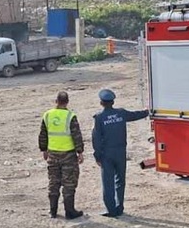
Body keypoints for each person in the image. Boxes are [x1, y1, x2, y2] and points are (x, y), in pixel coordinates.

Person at [91, 89, 150, 217]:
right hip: (121, 152)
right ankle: (120, 207)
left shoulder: (99, 118)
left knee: (108, 182)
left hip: (107, 154)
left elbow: (96, 139)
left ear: (101, 103)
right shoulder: (121, 113)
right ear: (113, 102)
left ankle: (111, 210)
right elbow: (135, 115)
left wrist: (97, 155)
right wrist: (147, 111)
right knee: (120, 180)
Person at [39, 91, 85, 219]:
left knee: (53, 182)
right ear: (67, 102)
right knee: (69, 183)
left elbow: (43, 134)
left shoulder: (47, 115)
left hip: (53, 154)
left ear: (56, 101)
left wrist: (44, 150)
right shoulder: (70, 116)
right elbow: (76, 135)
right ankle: (70, 212)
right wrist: (80, 152)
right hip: (68, 155)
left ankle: (53, 211)